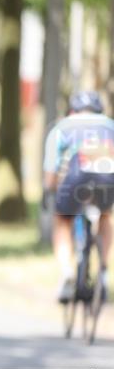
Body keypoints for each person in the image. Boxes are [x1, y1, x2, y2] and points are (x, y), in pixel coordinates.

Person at [43, 89, 114, 303]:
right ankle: (103, 271)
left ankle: (66, 273)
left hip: (76, 175)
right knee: (106, 215)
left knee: (62, 221)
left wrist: (51, 191)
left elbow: (51, 175)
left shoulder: (62, 127)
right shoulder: (110, 125)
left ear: (72, 110)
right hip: (107, 174)